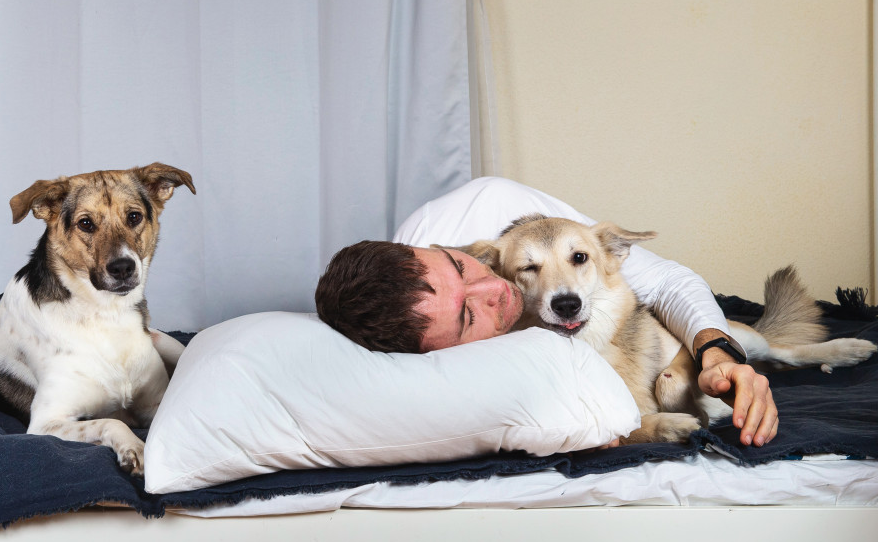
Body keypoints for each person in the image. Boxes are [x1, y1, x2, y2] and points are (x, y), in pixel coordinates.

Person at [316, 177, 778, 448]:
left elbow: (668, 283)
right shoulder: (434, 373)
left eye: (463, 267)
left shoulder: (488, 206)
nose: (493, 291)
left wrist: (718, 352)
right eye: (467, 316)